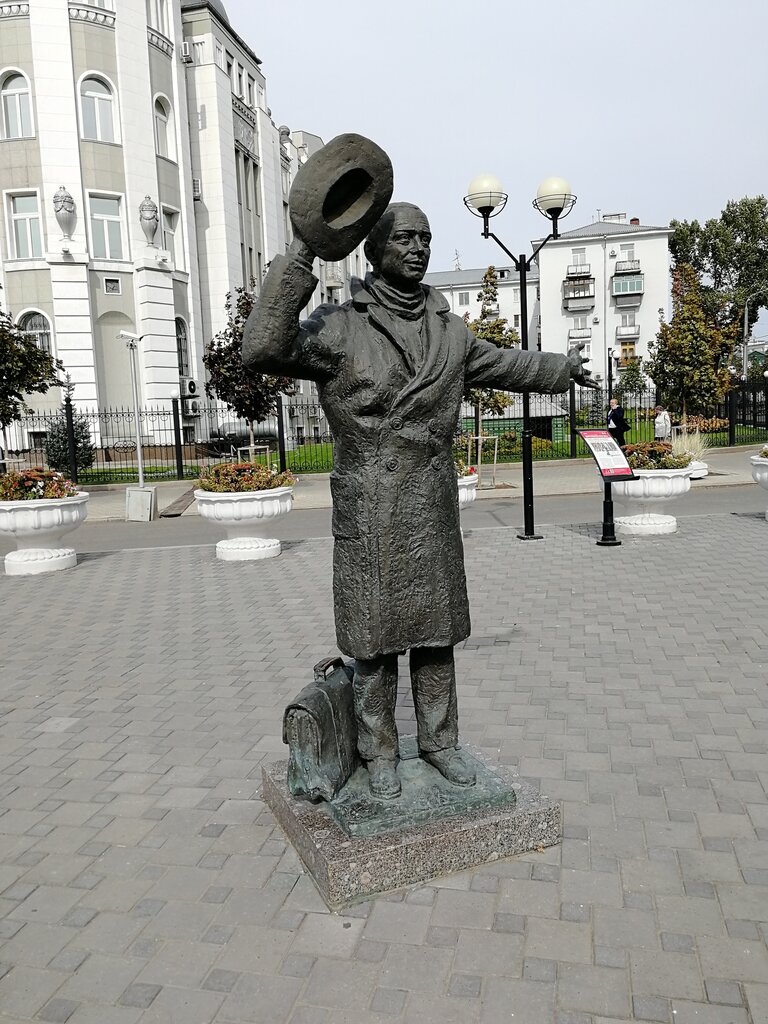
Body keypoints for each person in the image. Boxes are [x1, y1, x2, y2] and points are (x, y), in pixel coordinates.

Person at [243, 202, 597, 800]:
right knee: (374, 640)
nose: (418, 248)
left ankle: (440, 743)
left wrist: (560, 367)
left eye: (426, 239)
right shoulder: (340, 325)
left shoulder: (449, 330)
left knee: (436, 633)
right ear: (375, 248)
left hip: (429, 500)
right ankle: (378, 752)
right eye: (405, 238)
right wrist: (303, 249)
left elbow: (504, 363)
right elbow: (262, 347)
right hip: (371, 502)